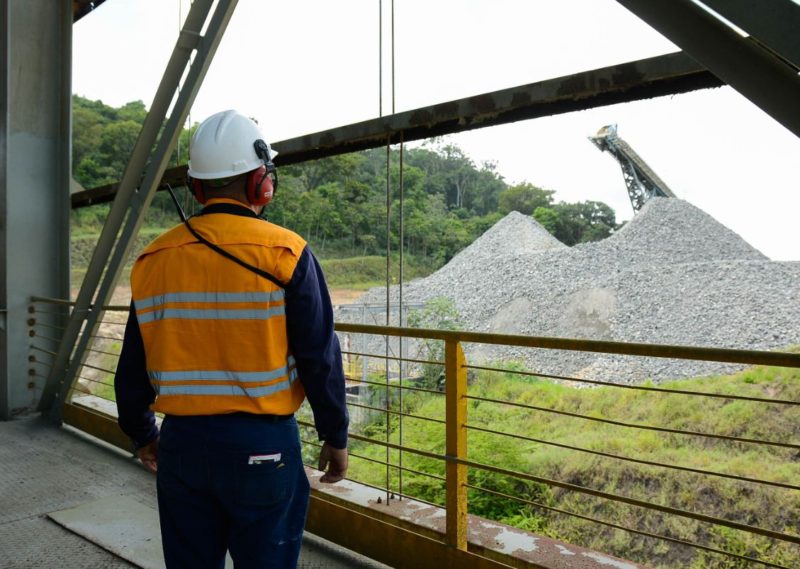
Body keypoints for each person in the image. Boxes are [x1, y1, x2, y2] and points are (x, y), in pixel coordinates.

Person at [114, 109, 349, 569]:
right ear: (262, 183)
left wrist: (143, 433)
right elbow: (319, 356)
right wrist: (334, 434)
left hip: (181, 446)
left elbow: (132, 365)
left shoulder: (153, 260)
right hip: (263, 447)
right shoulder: (287, 253)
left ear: (196, 189)